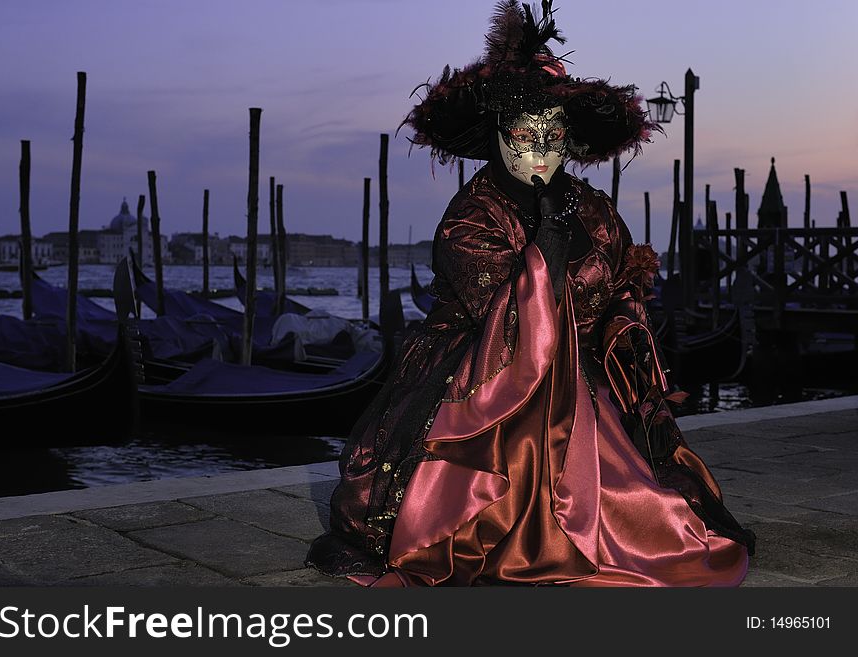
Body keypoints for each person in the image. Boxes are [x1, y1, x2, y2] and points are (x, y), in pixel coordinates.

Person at [306, 0, 755, 586]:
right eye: (525, 136)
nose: (540, 153)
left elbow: (622, 280)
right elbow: (511, 318)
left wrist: (619, 324)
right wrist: (546, 238)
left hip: (587, 369)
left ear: (570, 139)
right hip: (488, 373)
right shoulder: (471, 215)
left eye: (554, 137)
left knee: (641, 488)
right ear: (499, 135)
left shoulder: (592, 208)